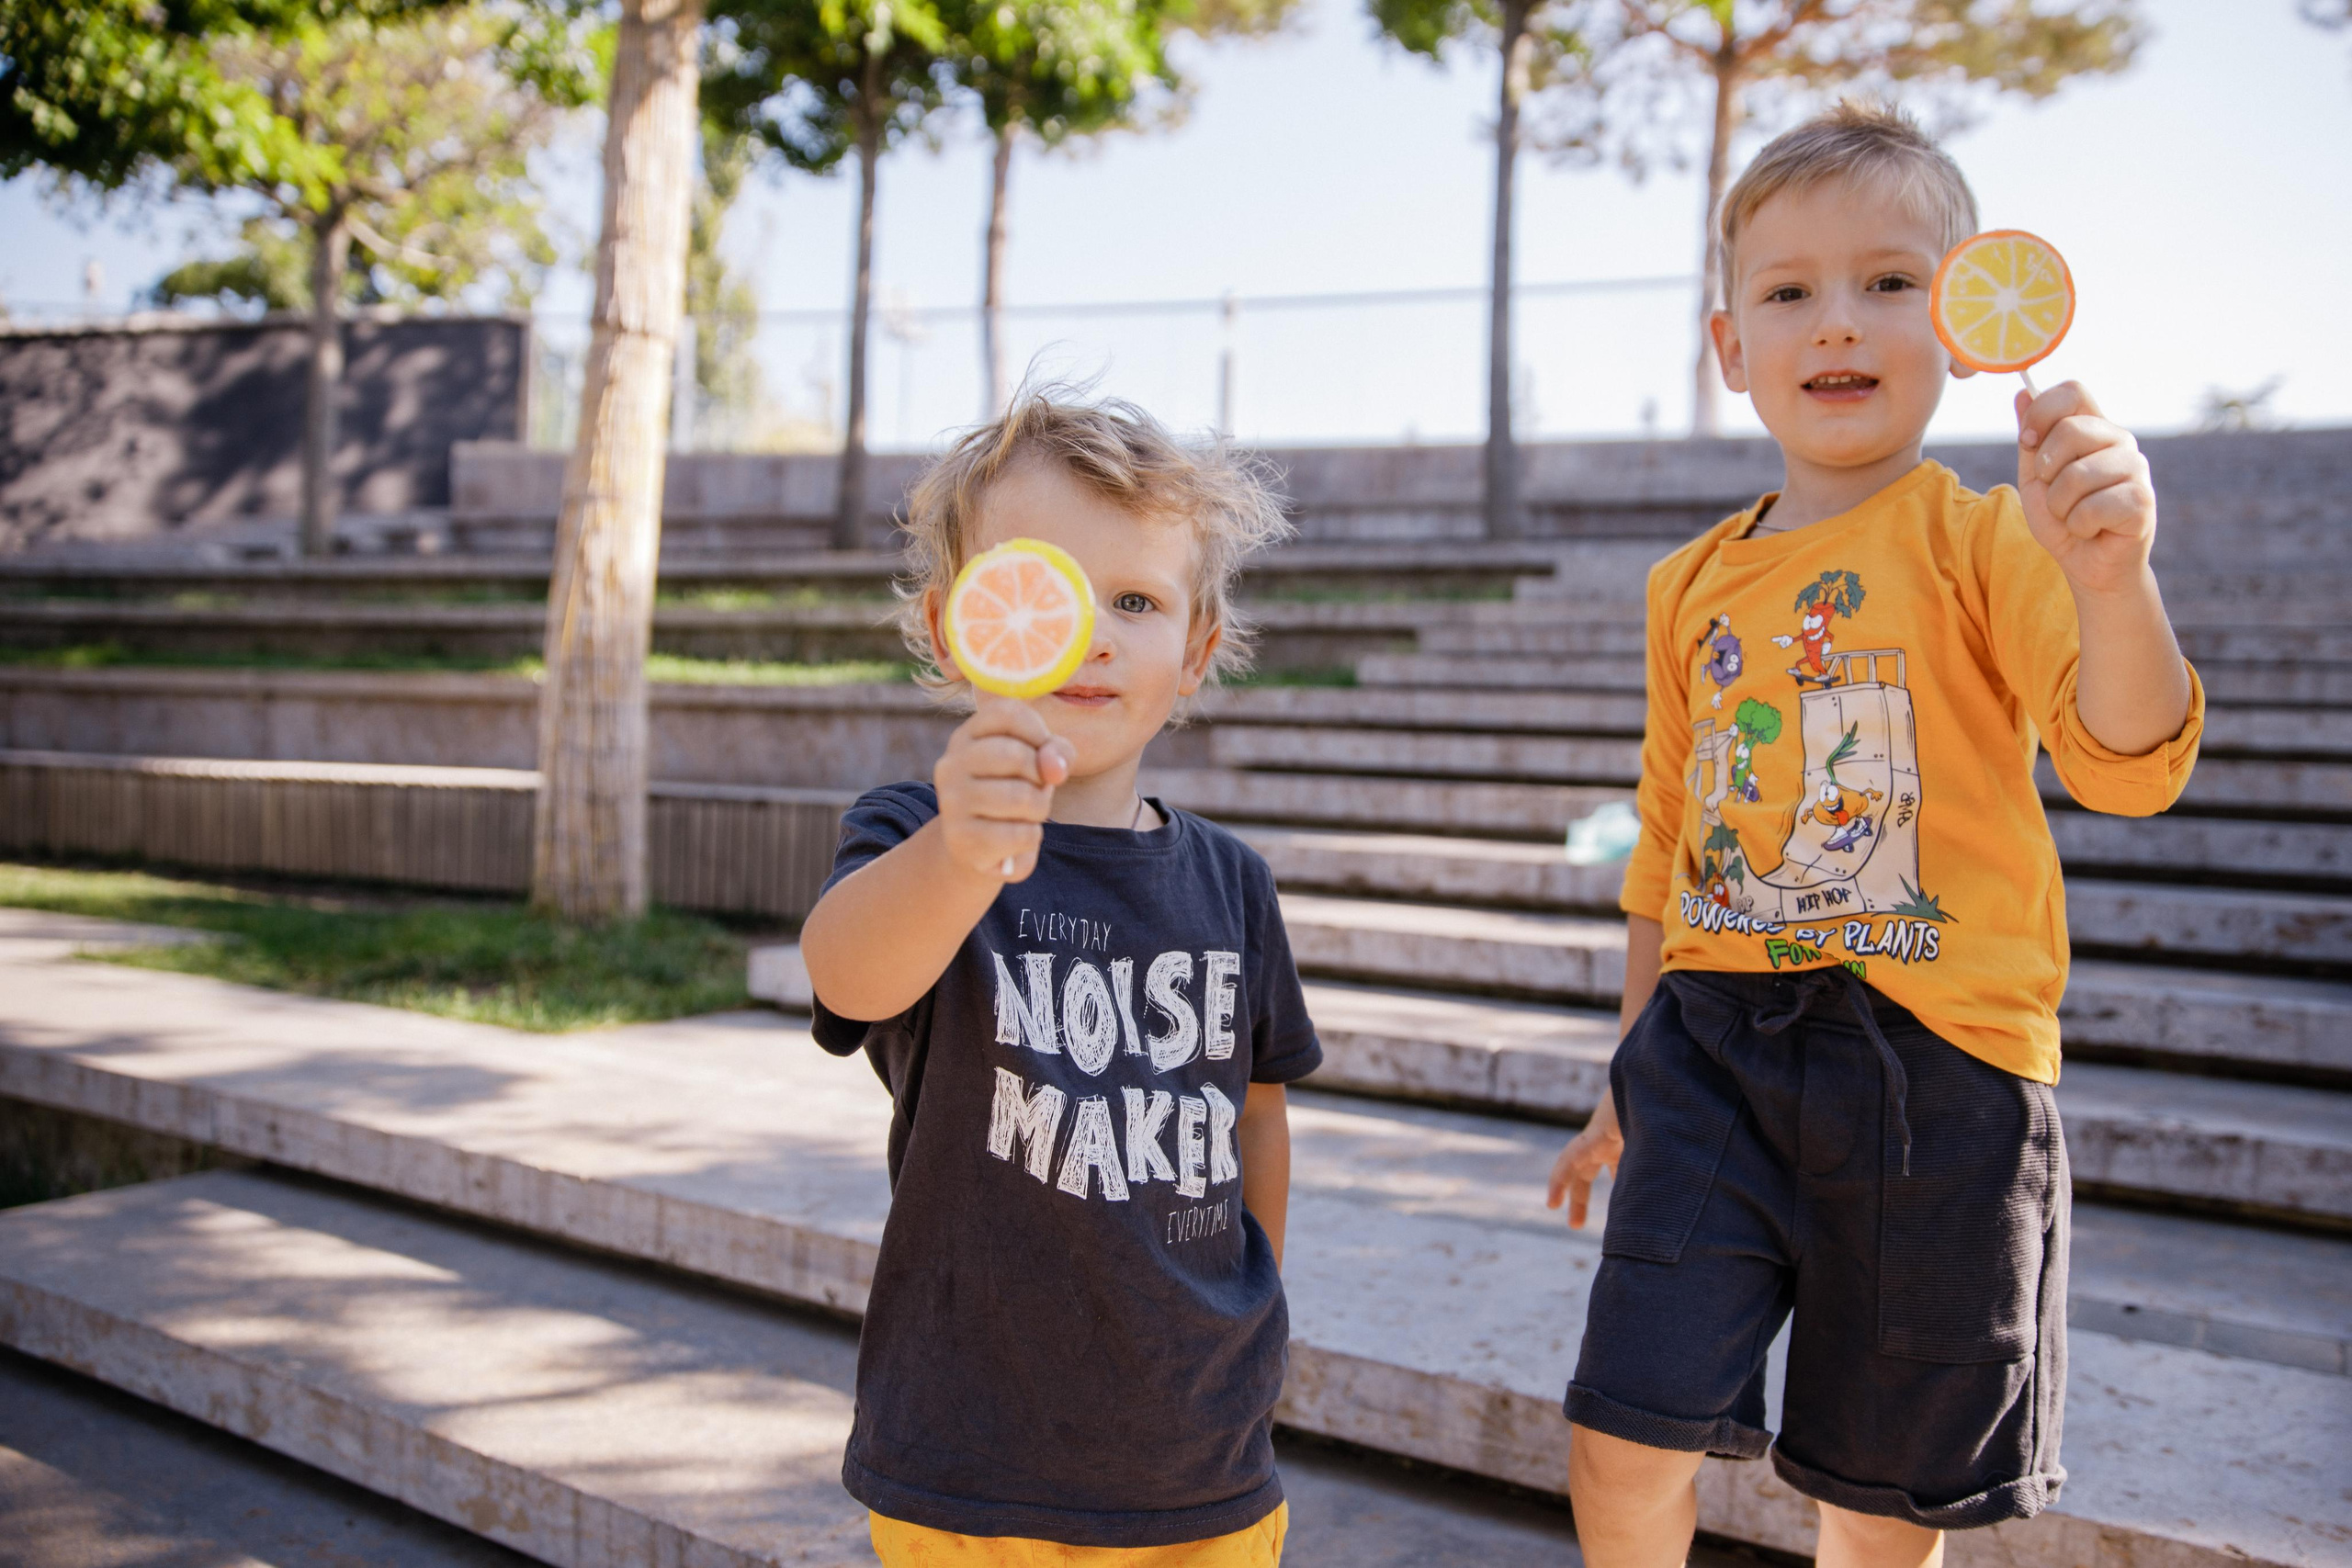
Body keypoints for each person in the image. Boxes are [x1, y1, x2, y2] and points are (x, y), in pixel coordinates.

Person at [1544, 101, 2202, 1568]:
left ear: (1966, 320)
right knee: (1624, 1426)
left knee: (1885, 1495)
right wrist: (1628, 1071)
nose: (1837, 320)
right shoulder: (1686, 586)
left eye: (1891, 281)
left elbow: (2133, 760)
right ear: (1731, 347)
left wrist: (2112, 577)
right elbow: (1665, 844)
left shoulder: (1996, 536)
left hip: (1942, 1063)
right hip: (1709, 1047)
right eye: (1788, 290)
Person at [798, 389, 1318, 1567]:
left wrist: (1256, 1302)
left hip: (1202, 1454)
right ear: (951, 629)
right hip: (972, 1461)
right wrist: (962, 849)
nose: (1090, 632)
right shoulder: (914, 836)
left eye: (1133, 601)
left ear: (1193, 651)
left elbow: (1257, 1112)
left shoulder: (1232, 882)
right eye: (1042, 586)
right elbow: (849, 973)